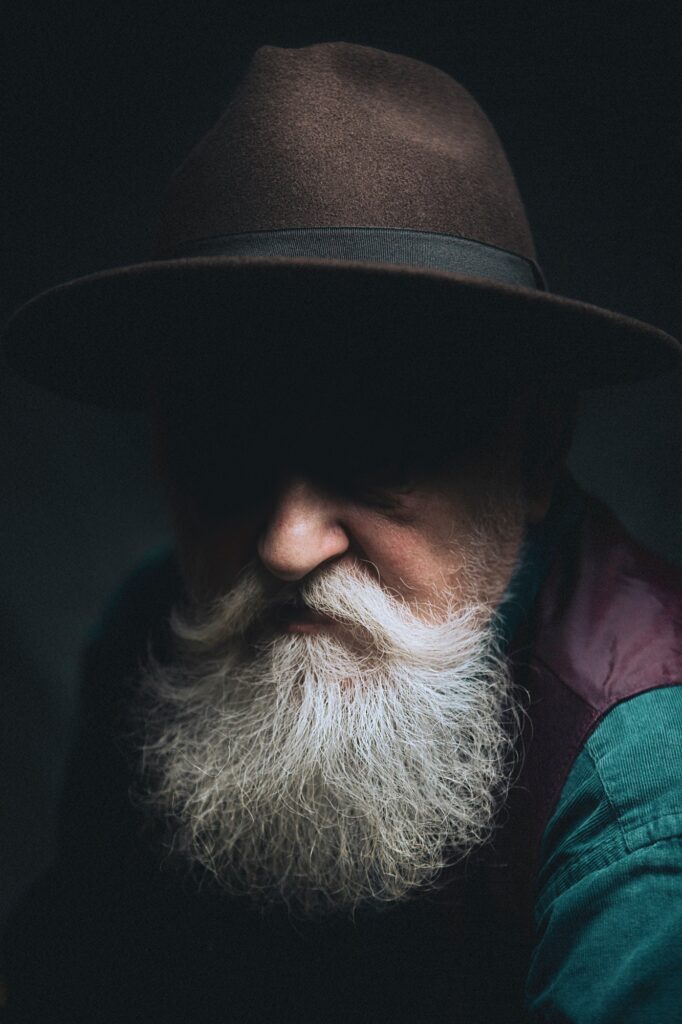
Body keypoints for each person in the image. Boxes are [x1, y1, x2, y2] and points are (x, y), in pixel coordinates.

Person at [2, 41, 681, 1024]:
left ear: (534, 454)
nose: (286, 546)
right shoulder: (157, 639)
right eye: (225, 450)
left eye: (375, 451)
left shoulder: (647, 793)